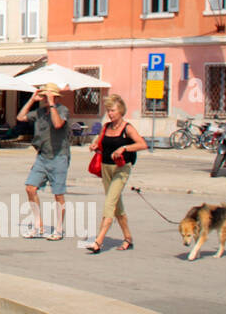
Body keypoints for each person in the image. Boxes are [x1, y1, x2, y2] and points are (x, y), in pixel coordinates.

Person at [84, 94, 147, 252]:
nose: (110, 113)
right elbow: (99, 142)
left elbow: (142, 144)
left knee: (109, 203)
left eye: (113, 110)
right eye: (108, 110)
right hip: (106, 168)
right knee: (117, 206)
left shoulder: (127, 128)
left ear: (120, 111)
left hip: (121, 168)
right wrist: (94, 146)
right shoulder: (106, 127)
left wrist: (124, 148)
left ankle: (98, 241)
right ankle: (128, 238)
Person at [17, 83, 71, 240]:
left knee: (58, 194)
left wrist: (52, 104)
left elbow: (57, 124)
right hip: (42, 156)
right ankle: (38, 225)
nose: (46, 99)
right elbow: (20, 117)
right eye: (45, 96)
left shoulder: (62, 110)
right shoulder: (39, 112)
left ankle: (59, 229)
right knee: (30, 188)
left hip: (59, 156)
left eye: (48, 96)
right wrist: (32, 100)